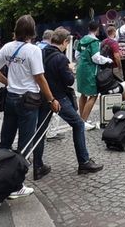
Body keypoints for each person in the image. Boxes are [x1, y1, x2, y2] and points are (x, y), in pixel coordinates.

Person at [0, 15, 60, 199]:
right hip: (28, 101)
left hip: (11, 98)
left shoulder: (8, 47)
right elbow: (39, 78)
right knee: (25, 144)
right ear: (32, 31)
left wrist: (8, 82)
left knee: (5, 141)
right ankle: (15, 185)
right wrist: (51, 100)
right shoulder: (32, 50)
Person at [34, 28, 103, 178]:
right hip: (58, 97)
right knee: (78, 124)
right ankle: (84, 162)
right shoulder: (61, 58)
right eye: (67, 43)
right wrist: (70, 69)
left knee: (40, 132)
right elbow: (69, 81)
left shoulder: (41, 53)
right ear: (65, 42)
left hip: (44, 96)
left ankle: (37, 165)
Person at [76, 22, 111, 130]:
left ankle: (82, 118)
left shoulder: (81, 40)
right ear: (97, 29)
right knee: (93, 95)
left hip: (81, 69)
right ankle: (83, 121)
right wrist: (107, 60)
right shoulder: (94, 41)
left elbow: (76, 55)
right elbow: (96, 58)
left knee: (83, 94)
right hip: (90, 70)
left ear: (88, 28)